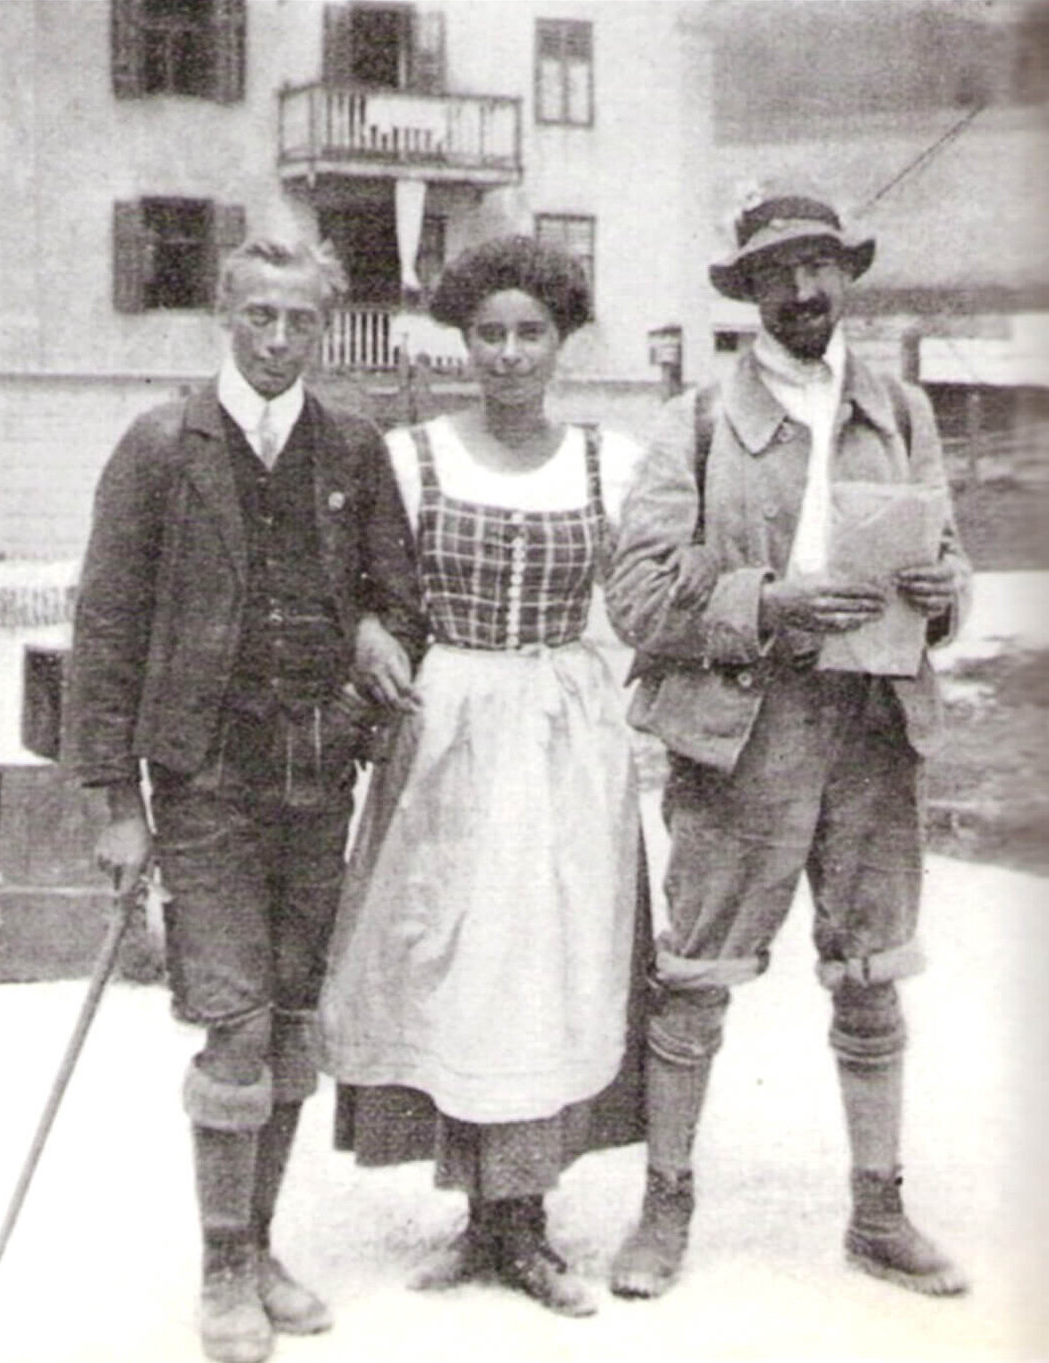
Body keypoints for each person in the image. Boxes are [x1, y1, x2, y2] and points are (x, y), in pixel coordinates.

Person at [605, 188, 972, 1302]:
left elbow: (949, 568)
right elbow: (635, 595)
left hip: (874, 732)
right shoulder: (694, 424)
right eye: (779, 273)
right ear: (748, 291)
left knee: (872, 975)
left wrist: (943, 590)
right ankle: (664, 1207)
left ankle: (879, 1210)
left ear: (846, 276)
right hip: (743, 729)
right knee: (696, 976)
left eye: (820, 268)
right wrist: (766, 602)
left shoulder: (902, 410)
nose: (804, 291)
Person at [64, 236, 424, 1363]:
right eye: (258, 315)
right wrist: (112, 803)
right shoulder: (162, 447)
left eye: (300, 320)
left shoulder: (354, 447)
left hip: (319, 777)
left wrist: (380, 630)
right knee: (234, 1022)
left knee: (294, 1021)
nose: (277, 340)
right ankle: (222, 1266)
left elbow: (399, 599)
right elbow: (106, 630)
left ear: (326, 324)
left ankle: (260, 1242)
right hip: (205, 784)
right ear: (225, 314)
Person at [318, 235, 663, 1318]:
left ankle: (528, 1221)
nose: (509, 355)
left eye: (530, 334)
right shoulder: (412, 454)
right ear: (462, 341)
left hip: (562, 729)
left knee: (548, 963)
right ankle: (479, 1219)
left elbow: (652, 594)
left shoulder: (610, 459)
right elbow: (363, 589)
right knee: (452, 964)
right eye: (489, 335)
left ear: (562, 342)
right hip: (451, 724)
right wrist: (374, 629)